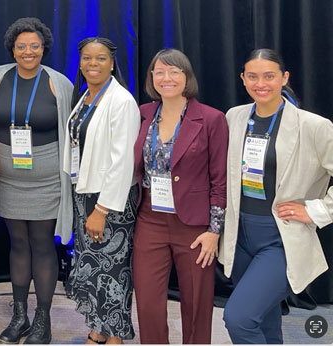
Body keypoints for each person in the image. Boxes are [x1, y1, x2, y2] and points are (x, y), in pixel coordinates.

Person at [220, 48, 333, 344]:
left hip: (279, 238)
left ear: (284, 77)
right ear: (243, 79)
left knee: (239, 319)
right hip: (240, 235)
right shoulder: (235, 117)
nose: (261, 83)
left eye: (269, 76)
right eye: (253, 76)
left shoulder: (314, 126)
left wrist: (317, 210)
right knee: (265, 324)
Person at [0, 17, 73, 345]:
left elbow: (70, 132)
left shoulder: (58, 83)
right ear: (12, 48)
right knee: (17, 244)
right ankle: (20, 316)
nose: (28, 51)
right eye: (21, 46)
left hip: (47, 182)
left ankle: (43, 320)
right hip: (7, 181)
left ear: (44, 48)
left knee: (41, 244)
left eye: (34, 46)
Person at [131, 48, 228, 344]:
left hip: (194, 225)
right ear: (152, 78)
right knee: (147, 303)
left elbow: (219, 180)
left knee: (197, 304)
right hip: (150, 219)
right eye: (159, 71)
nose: (166, 78)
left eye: (174, 71)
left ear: (187, 77)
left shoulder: (211, 119)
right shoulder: (142, 114)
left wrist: (214, 231)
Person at [63, 37, 140, 344]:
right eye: (86, 58)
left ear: (112, 63)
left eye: (100, 58)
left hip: (110, 202)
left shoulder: (121, 101)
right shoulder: (85, 97)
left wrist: (102, 209)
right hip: (85, 193)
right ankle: (97, 329)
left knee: (113, 270)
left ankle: (116, 336)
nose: (92, 64)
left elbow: (123, 162)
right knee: (91, 267)